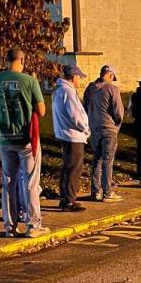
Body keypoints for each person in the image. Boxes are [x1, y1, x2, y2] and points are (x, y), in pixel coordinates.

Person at [0, 48, 49, 238]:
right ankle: (32, 225)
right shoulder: (29, 81)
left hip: (5, 138)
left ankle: (9, 226)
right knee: (30, 182)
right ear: (22, 60)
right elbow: (41, 110)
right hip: (26, 139)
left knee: (8, 182)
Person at [52, 64, 89, 210]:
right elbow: (75, 115)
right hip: (73, 135)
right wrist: (85, 129)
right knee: (74, 168)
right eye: (79, 77)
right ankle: (69, 200)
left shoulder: (59, 91)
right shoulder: (69, 92)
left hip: (64, 134)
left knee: (67, 167)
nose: (80, 80)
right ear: (74, 77)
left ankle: (65, 197)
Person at [85, 64, 124, 201]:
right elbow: (118, 112)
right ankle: (107, 192)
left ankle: (95, 191)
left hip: (94, 128)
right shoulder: (112, 88)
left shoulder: (90, 88)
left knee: (96, 160)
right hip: (108, 128)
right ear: (111, 75)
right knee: (108, 161)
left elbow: (85, 107)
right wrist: (117, 123)